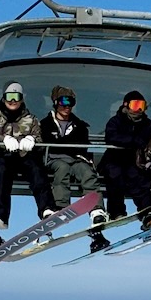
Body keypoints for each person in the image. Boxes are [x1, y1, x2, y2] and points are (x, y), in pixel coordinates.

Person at [0, 82, 56, 236]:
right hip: (3, 155)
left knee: (37, 170)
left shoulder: (30, 118)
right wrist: (3, 139)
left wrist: (31, 140)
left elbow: (39, 136)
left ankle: (47, 208)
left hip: (24, 156)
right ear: (4, 97)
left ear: (21, 99)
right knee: (1, 171)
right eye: (9, 96)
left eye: (16, 97)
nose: (12, 101)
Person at [38, 84, 109, 236]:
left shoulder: (80, 126)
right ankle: (60, 207)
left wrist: (80, 155)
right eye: (63, 102)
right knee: (61, 168)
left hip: (76, 159)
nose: (67, 106)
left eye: (70, 102)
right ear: (56, 103)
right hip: (54, 159)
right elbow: (44, 144)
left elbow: (83, 147)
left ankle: (96, 209)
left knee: (86, 171)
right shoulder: (45, 125)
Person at [99, 91, 151, 230]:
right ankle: (116, 212)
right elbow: (111, 137)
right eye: (135, 105)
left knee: (139, 181)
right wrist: (135, 142)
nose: (139, 110)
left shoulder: (147, 124)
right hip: (115, 159)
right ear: (126, 105)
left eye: (142, 106)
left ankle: (149, 213)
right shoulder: (116, 121)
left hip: (134, 162)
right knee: (115, 178)